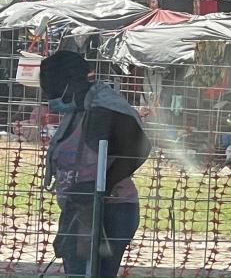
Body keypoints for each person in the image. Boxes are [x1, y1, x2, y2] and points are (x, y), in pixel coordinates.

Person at [41, 51, 151, 277]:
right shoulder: (79, 111)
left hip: (109, 210)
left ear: (70, 82)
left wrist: (99, 189)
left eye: (50, 89)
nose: (47, 96)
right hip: (80, 210)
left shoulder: (103, 110)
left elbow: (139, 148)